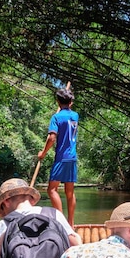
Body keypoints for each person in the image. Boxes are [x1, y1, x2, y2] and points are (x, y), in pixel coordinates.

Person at [38, 88, 79, 226]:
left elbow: (52, 138)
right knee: (70, 192)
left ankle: (61, 223)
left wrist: (43, 153)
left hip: (61, 157)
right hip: (72, 157)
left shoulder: (56, 117)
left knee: (51, 190)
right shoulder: (75, 116)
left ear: (57, 101)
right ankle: (71, 223)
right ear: (71, 102)